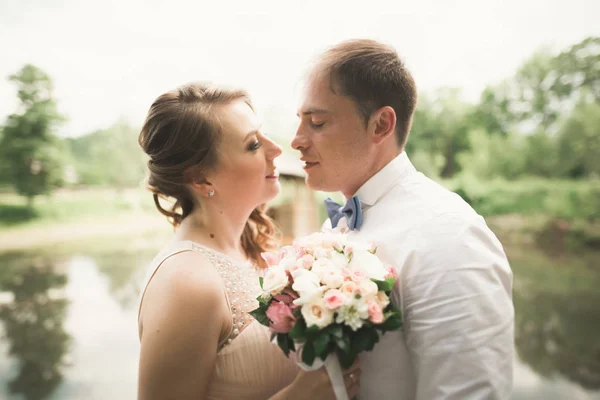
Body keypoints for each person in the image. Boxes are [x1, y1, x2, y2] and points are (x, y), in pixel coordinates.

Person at [293, 39, 514, 399]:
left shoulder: (450, 236)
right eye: (300, 121)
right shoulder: (335, 225)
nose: (296, 141)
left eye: (317, 122)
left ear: (381, 124)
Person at [137, 83, 360, 400]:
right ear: (201, 179)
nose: (276, 150)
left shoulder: (255, 248)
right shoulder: (187, 283)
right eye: (253, 145)